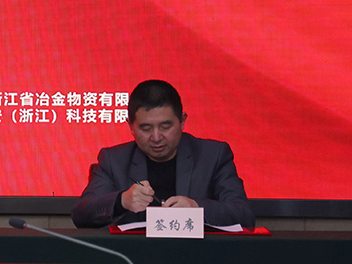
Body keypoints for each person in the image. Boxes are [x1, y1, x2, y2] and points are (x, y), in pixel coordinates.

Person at [71, 79, 255, 228]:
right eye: (146, 129)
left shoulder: (213, 156)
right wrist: (122, 201)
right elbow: (81, 214)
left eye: (165, 127)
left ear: (182, 121)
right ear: (130, 126)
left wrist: (197, 208)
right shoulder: (114, 160)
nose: (156, 137)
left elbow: (244, 215)